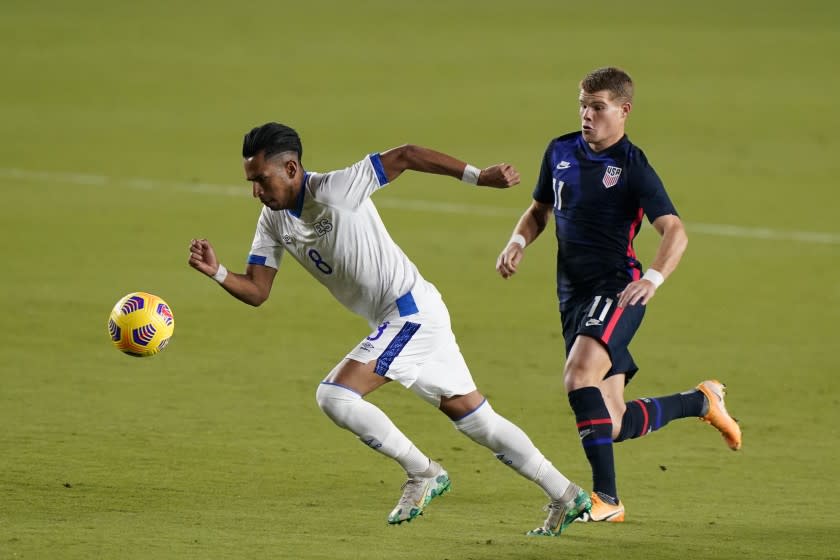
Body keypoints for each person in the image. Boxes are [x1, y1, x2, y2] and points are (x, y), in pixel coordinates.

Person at [188, 122, 591, 535]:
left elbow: (406, 155)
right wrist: (217, 272)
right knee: (477, 421)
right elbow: (258, 290)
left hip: (410, 314)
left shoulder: (336, 189)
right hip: (405, 317)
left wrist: (478, 176)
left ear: (291, 168)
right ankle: (567, 494)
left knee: (335, 395)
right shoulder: (273, 220)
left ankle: (424, 472)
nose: (256, 191)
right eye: (251, 181)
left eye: (261, 180)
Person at [495, 67, 742, 523]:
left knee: (579, 375)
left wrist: (653, 277)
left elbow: (675, 230)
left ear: (624, 111)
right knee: (611, 422)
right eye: (583, 105)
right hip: (571, 296)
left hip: (618, 289)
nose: (587, 115)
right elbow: (538, 210)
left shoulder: (632, 165)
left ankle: (607, 499)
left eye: (598, 107)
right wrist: (517, 242)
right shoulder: (560, 150)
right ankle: (702, 401)